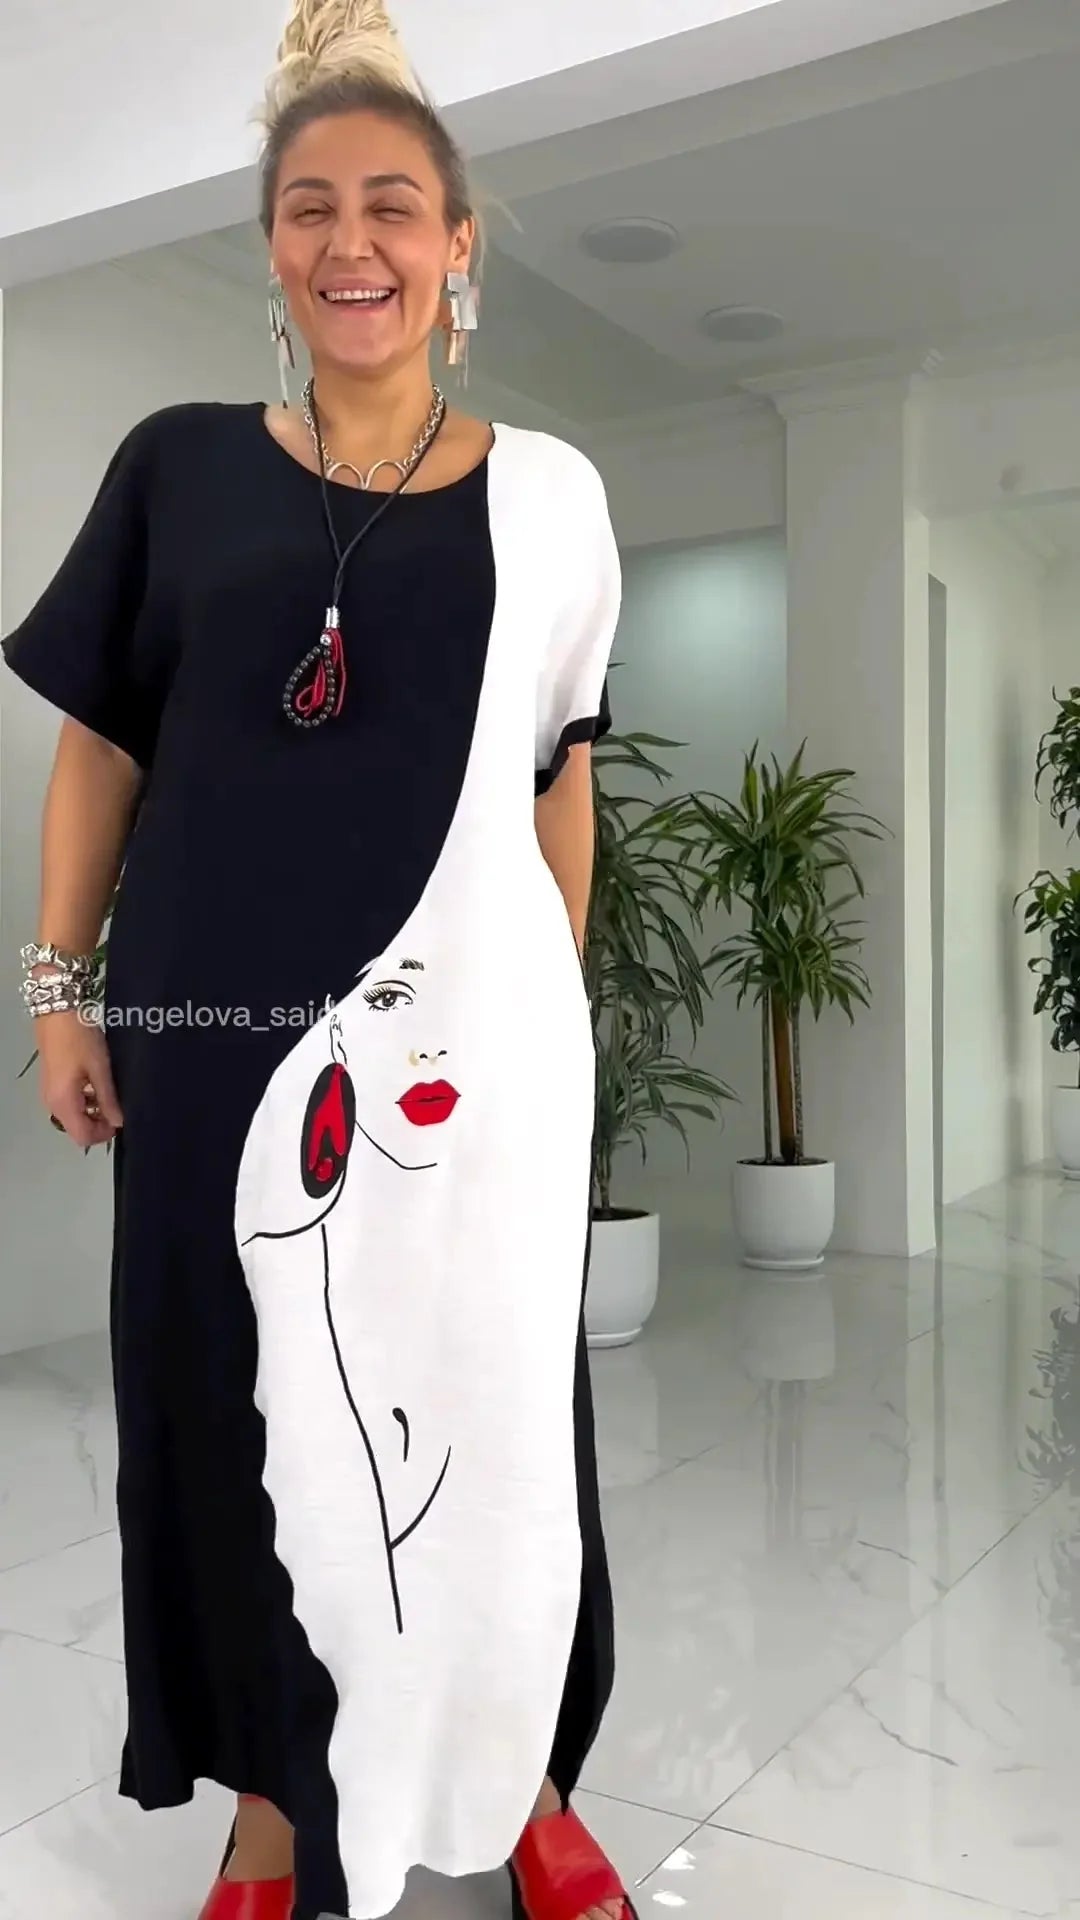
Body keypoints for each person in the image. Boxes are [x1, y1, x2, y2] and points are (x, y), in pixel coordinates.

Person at [2, 3, 636, 1918]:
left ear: (459, 246)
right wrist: (58, 993)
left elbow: (561, 786)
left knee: (497, 1411)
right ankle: (276, 1806)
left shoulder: (556, 497)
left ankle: (523, 1775)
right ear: (271, 247)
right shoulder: (177, 467)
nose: (351, 242)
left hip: (466, 1058)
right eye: (309, 208)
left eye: (391, 206)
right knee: (231, 1403)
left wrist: (547, 1034)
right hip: (214, 1044)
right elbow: (100, 752)